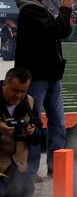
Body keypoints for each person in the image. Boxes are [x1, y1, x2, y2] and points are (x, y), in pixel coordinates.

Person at [13, 0, 74, 179]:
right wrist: (65, 9)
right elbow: (55, 30)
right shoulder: (29, 11)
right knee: (33, 124)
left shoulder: (39, 9)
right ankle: (28, 172)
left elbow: (62, 31)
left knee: (58, 122)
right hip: (37, 76)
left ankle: (56, 166)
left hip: (51, 76)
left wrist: (66, 12)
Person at [0, 68, 42, 197]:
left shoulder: (29, 101)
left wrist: (33, 132)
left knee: (26, 189)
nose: (18, 95)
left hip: (18, 166)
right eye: (14, 90)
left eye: (23, 91)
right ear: (4, 84)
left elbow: (39, 136)